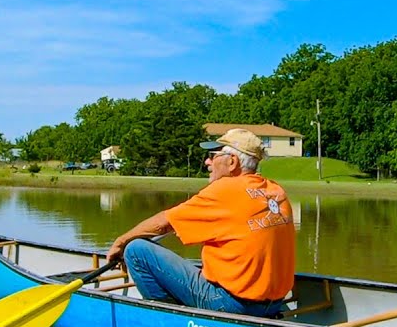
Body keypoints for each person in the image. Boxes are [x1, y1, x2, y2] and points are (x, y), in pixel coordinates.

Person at [106, 128, 295, 317]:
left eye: (213, 155)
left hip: (230, 304)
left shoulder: (225, 190)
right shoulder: (275, 190)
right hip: (274, 303)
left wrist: (121, 242)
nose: (207, 162)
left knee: (136, 250)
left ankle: (169, 320)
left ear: (232, 162)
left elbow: (164, 222)